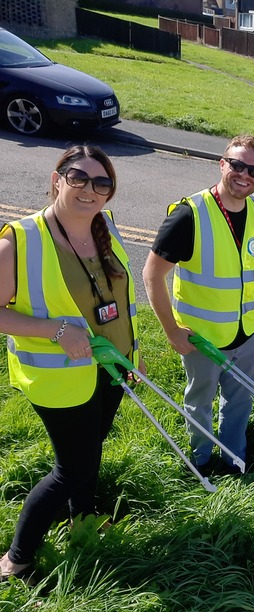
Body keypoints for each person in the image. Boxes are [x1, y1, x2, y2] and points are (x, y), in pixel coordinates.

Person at [0, 146, 140, 581]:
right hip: (59, 378)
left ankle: (83, 519)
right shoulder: (19, 240)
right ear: (58, 178)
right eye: (79, 178)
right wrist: (58, 332)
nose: (90, 190)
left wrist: (132, 355)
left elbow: (118, 301)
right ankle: (16, 560)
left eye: (102, 183)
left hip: (111, 367)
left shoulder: (107, 226)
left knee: (92, 450)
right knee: (72, 468)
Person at [143, 134, 254, 475]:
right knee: (199, 401)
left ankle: (234, 460)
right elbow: (152, 275)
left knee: (240, 401)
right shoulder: (190, 214)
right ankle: (200, 461)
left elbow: (253, 270)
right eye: (238, 165)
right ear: (222, 164)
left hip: (248, 334)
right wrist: (171, 331)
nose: (245, 175)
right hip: (203, 337)